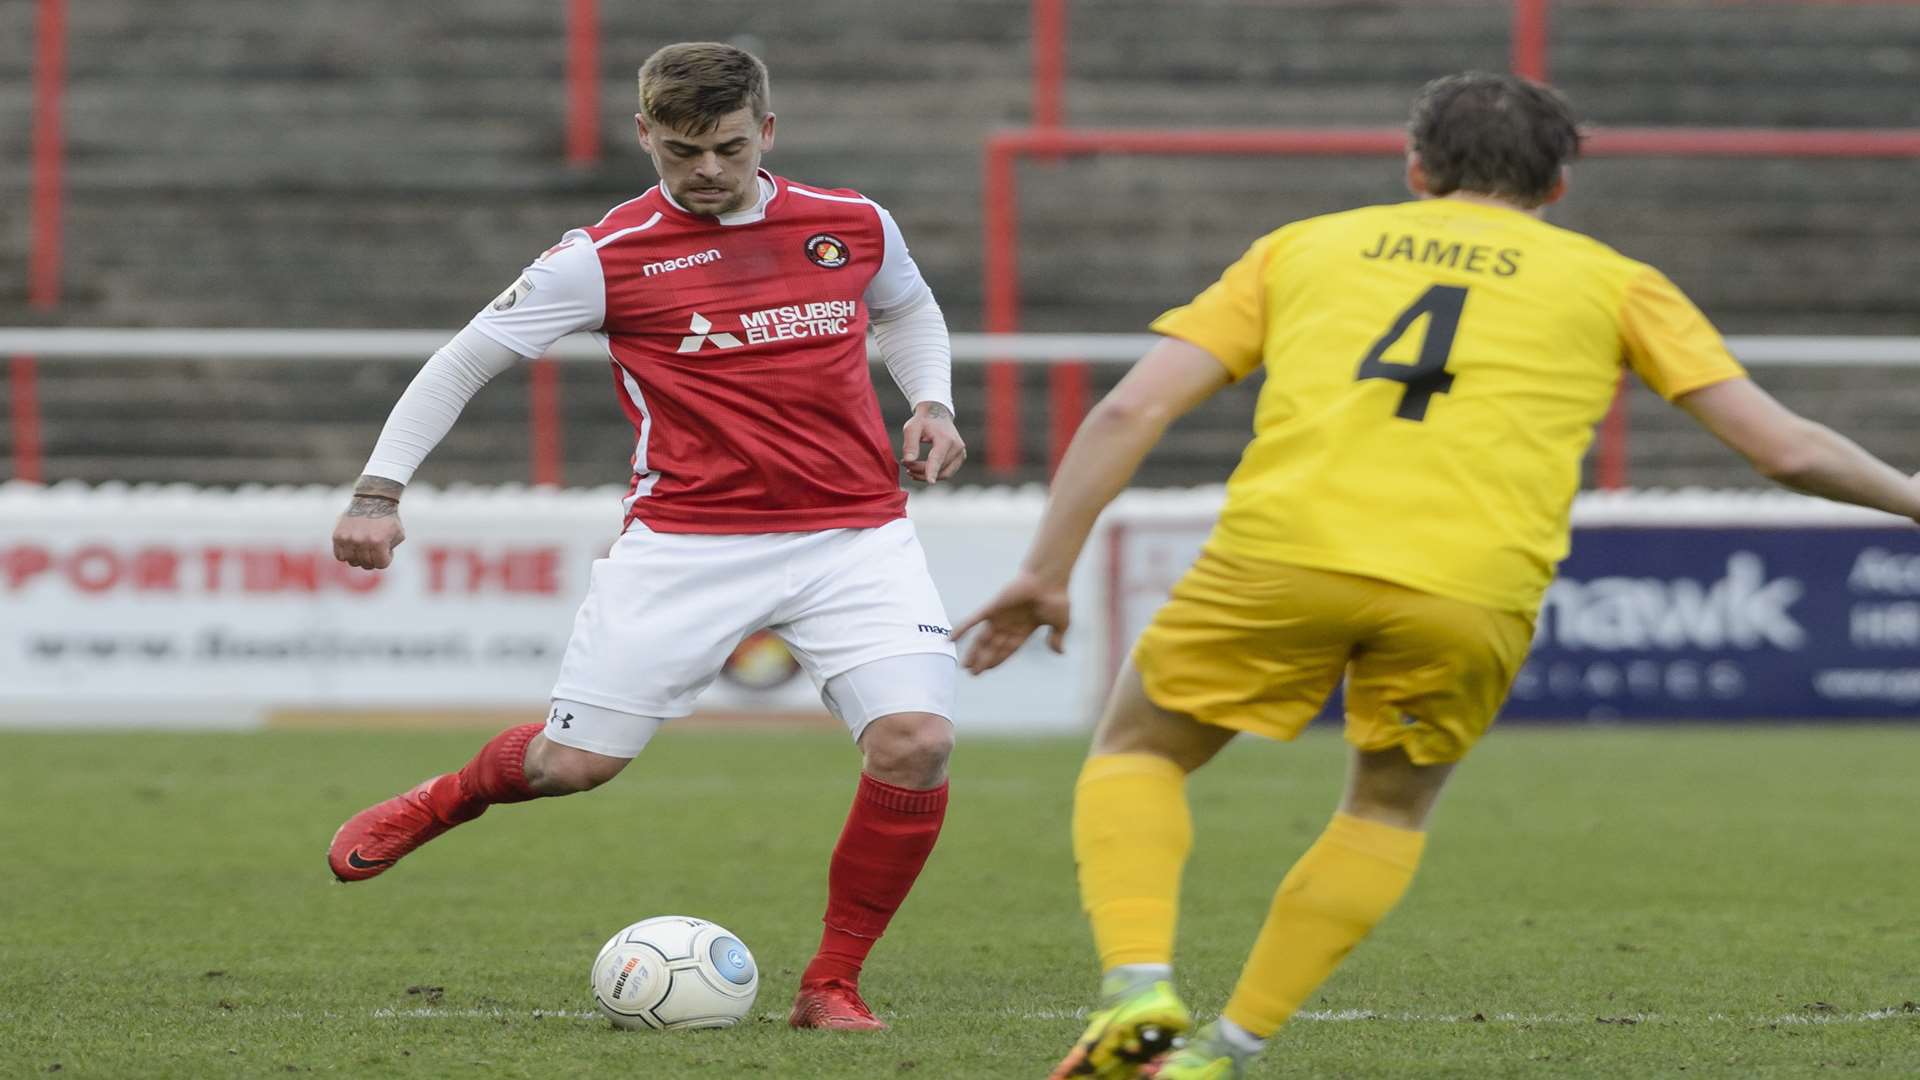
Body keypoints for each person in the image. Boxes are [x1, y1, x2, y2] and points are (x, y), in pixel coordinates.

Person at [953, 72, 1920, 1079]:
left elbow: (1127, 413)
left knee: (1140, 749)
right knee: (1384, 810)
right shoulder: (1614, 281)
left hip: (1285, 554)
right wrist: (1909, 495)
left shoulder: (1305, 247)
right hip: (1472, 587)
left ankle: (1137, 986)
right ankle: (1225, 1054)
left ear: (1416, 169)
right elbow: (1785, 450)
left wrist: (1047, 569)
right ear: (1556, 189)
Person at [326, 42, 968, 1032]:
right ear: (643, 137)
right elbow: (460, 365)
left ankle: (831, 982)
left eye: (725, 148)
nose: (705, 171)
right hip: (689, 543)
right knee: (572, 767)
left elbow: (907, 307)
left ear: (767, 131)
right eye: (679, 152)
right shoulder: (603, 256)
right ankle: (447, 797)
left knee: (915, 742)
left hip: (854, 535)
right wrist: (378, 493)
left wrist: (930, 400)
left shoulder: (851, 225)